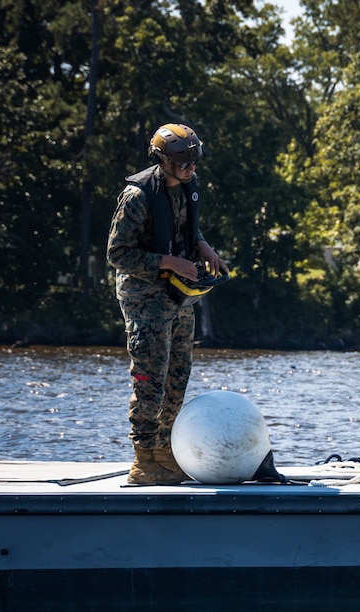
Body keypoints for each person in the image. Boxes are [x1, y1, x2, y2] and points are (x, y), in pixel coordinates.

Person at [106, 123, 229, 484]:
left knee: (177, 376)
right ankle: (143, 461)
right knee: (150, 379)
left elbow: (186, 229)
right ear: (163, 160)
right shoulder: (137, 196)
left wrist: (203, 247)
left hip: (177, 297)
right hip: (144, 299)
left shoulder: (187, 187)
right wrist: (169, 262)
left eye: (194, 162)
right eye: (183, 163)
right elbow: (117, 253)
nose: (191, 169)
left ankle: (165, 452)